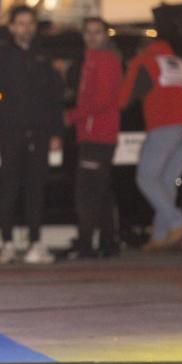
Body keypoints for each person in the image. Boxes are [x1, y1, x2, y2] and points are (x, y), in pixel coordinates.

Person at [0, 6, 64, 264]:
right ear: (12, 27)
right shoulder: (1, 57)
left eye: (30, 23)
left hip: (39, 133)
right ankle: (7, 244)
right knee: (8, 188)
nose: (25, 28)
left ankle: (35, 243)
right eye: (20, 23)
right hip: (10, 131)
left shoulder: (44, 57)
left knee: (36, 189)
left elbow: (54, 98)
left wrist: (55, 132)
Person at [118, 37, 182, 250]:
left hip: (164, 126)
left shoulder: (144, 62)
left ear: (141, 49)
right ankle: (160, 236)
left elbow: (123, 100)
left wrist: (131, 67)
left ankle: (179, 223)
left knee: (146, 178)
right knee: (166, 182)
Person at [69, 17, 122, 259]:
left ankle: (86, 244)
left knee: (87, 192)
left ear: (105, 35)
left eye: (97, 32)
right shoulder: (94, 59)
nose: (92, 37)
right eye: (88, 32)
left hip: (97, 135)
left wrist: (71, 117)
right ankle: (108, 243)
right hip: (96, 134)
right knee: (100, 191)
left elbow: (101, 100)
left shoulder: (106, 60)